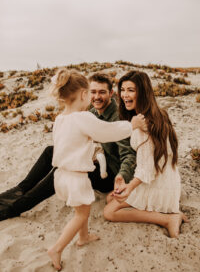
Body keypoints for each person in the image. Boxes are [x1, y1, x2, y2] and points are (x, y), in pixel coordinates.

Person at [0, 72, 145, 221]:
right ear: (86, 93)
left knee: (64, 169)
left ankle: (16, 207)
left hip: (110, 173)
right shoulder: (91, 111)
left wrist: (122, 175)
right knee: (50, 151)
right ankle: (20, 190)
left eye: (102, 92)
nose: (96, 97)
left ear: (111, 94)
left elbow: (127, 154)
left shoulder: (118, 116)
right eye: (93, 92)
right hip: (96, 159)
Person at [46, 68, 141, 270]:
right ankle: (57, 248)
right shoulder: (83, 117)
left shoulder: (60, 119)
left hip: (61, 176)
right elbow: (107, 132)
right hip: (76, 177)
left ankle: (84, 237)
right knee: (81, 214)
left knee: (81, 209)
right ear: (83, 94)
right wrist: (131, 125)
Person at [104, 71, 188, 238]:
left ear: (142, 92)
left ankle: (168, 219)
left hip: (158, 183)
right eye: (123, 89)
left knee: (109, 212)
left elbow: (147, 168)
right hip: (167, 179)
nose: (124, 95)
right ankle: (167, 213)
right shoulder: (158, 113)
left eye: (131, 90)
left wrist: (131, 186)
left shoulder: (143, 125)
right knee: (110, 198)